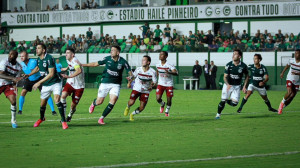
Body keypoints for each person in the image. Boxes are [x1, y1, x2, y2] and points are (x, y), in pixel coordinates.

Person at [82, 45, 132, 125]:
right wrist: (82, 65)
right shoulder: (107, 59)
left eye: (113, 50)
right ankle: (94, 103)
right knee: (99, 102)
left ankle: (101, 118)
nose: (111, 51)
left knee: (113, 100)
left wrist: (130, 78)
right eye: (111, 50)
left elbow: (130, 73)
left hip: (116, 84)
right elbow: (95, 64)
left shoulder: (123, 61)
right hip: (105, 82)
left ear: (118, 52)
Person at [26, 44, 68, 129]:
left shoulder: (49, 58)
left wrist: (38, 82)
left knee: (57, 100)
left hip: (55, 82)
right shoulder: (39, 59)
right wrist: (29, 74)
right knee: (43, 104)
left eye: (38, 48)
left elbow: (51, 74)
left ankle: (63, 121)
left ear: (44, 50)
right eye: (36, 48)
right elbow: (37, 68)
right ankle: (42, 118)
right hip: (46, 84)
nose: (36, 50)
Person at [18, 51, 57, 115]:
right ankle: (20, 110)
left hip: (39, 79)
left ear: (27, 56)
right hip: (29, 79)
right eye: (21, 56)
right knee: (23, 92)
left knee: (46, 93)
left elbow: (37, 68)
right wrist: (22, 75)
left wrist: (29, 74)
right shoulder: (21, 64)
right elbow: (20, 72)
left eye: (23, 56)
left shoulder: (34, 61)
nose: (21, 57)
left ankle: (53, 110)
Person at [215, 49, 249, 119]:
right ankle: (218, 114)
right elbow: (225, 77)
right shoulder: (228, 65)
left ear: (239, 56)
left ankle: (226, 100)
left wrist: (244, 86)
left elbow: (247, 76)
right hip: (228, 85)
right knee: (223, 100)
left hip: (237, 86)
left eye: (235, 54)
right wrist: (227, 84)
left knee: (234, 104)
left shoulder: (243, 66)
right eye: (233, 54)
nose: (233, 55)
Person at [124, 55, 157, 121]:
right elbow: (133, 77)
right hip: (137, 88)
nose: (142, 61)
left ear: (148, 62)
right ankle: (128, 107)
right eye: (142, 60)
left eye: (144, 60)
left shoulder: (153, 72)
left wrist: (152, 86)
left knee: (142, 107)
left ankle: (132, 114)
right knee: (131, 102)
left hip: (145, 90)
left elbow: (155, 82)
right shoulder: (138, 69)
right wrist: (129, 82)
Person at [60, 47, 85, 122]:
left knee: (73, 106)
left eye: (68, 53)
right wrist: (66, 68)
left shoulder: (75, 61)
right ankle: (63, 117)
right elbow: (70, 65)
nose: (66, 54)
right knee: (63, 96)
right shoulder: (68, 59)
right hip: (70, 82)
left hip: (79, 86)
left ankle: (70, 114)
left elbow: (79, 70)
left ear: (73, 54)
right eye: (66, 53)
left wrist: (69, 76)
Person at [0, 50, 22, 128]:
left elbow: (16, 79)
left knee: (13, 101)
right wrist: (12, 78)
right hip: (0, 82)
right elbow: (0, 74)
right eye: (9, 54)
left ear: (16, 57)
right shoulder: (4, 61)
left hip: (8, 85)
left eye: (12, 55)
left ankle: (13, 120)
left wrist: (15, 85)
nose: (10, 56)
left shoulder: (19, 67)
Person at [156, 51, 178, 116]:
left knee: (169, 99)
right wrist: (154, 80)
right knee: (158, 98)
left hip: (169, 84)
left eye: (162, 55)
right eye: (160, 54)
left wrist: (169, 72)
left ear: (166, 56)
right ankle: (162, 104)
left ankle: (167, 111)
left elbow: (176, 73)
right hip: (161, 83)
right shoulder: (157, 64)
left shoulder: (170, 65)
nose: (160, 56)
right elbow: (157, 71)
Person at [278, 49, 300, 114]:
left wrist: (297, 74)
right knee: (289, 92)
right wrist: (282, 72)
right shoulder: (291, 60)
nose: (296, 55)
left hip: (297, 81)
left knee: (292, 96)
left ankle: (283, 106)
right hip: (290, 78)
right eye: (295, 53)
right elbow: (287, 66)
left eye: (297, 53)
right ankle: (282, 103)